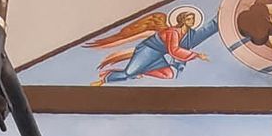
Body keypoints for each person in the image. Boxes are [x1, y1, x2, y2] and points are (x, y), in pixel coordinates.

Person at [87, 7, 217, 83]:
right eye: (189, 19)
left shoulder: (189, 35)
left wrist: (219, 21)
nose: (192, 21)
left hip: (158, 54)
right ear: (182, 20)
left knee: (170, 74)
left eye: (193, 19)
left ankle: (143, 70)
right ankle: (106, 78)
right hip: (148, 50)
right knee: (129, 73)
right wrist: (197, 55)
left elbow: (204, 32)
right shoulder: (173, 32)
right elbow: (174, 50)